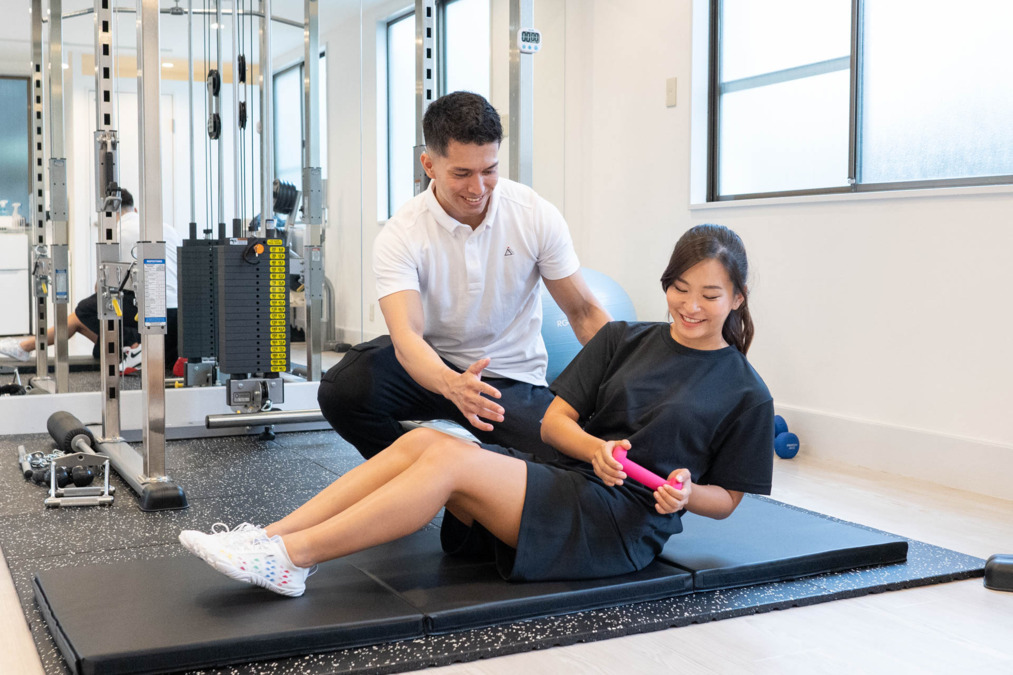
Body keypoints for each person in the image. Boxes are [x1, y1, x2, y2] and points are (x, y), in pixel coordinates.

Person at [178, 224, 774, 598]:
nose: (690, 305)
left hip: (622, 525)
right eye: (680, 288)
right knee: (426, 444)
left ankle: (291, 561)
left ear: (738, 298)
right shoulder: (624, 338)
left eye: (710, 295)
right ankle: (269, 537)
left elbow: (726, 501)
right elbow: (553, 422)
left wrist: (685, 494)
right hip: (575, 479)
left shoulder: (747, 392)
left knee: (452, 464)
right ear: (667, 284)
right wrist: (593, 448)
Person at [317, 91, 611, 461]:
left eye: (489, 170)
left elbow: (583, 312)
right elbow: (407, 338)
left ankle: (465, 479)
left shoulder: (534, 214)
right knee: (344, 388)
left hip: (509, 380)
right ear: (429, 165)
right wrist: (451, 384)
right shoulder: (402, 232)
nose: (478, 188)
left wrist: (630, 382)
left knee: (562, 464)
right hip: (433, 369)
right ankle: (410, 473)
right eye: (462, 173)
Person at [0, 188, 181, 372]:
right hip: (177, 319)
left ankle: (24, 347)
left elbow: (101, 287)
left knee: (83, 311)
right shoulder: (167, 228)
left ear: (108, 215)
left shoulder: (116, 233)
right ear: (134, 210)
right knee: (89, 321)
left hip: (149, 312)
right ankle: (129, 349)